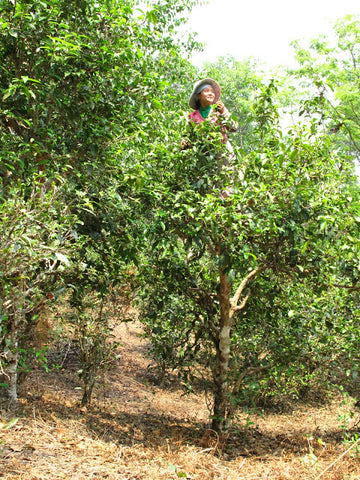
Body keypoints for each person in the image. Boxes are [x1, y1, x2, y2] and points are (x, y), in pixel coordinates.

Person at [180, 78, 239, 197]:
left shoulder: (218, 110)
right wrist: (184, 143)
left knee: (227, 188)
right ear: (198, 95)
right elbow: (189, 138)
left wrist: (224, 112)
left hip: (223, 154)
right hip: (205, 158)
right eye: (206, 91)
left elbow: (234, 127)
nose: (211, 93)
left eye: (212, 91)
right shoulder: (192, 117)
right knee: (208, 190)